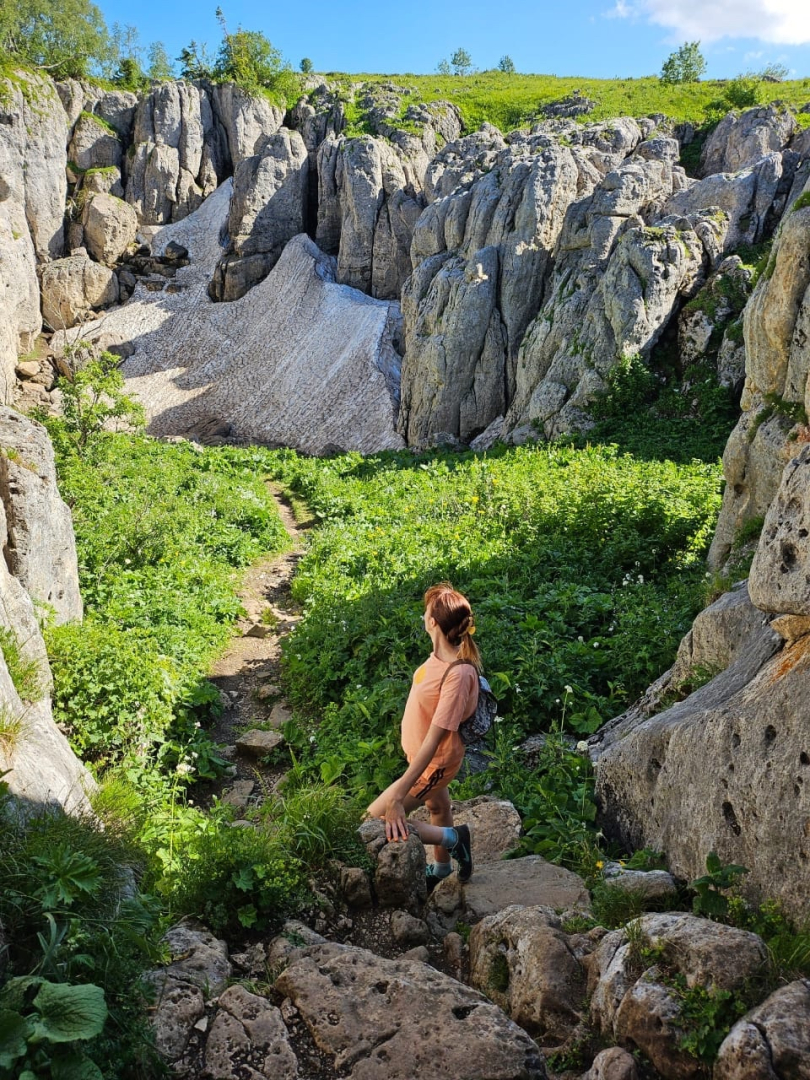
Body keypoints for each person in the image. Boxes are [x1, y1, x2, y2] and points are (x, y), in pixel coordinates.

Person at [366, 582, 480, 889]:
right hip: (421, 757)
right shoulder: (438, 658)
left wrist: (398, 797)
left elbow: (434, 739)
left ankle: (456, 838)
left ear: (433, 622)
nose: (423, 616)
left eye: (426, 612)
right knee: (437, 807)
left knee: (373, 821)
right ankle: (442, 869)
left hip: (436, 762)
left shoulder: (457, 674)